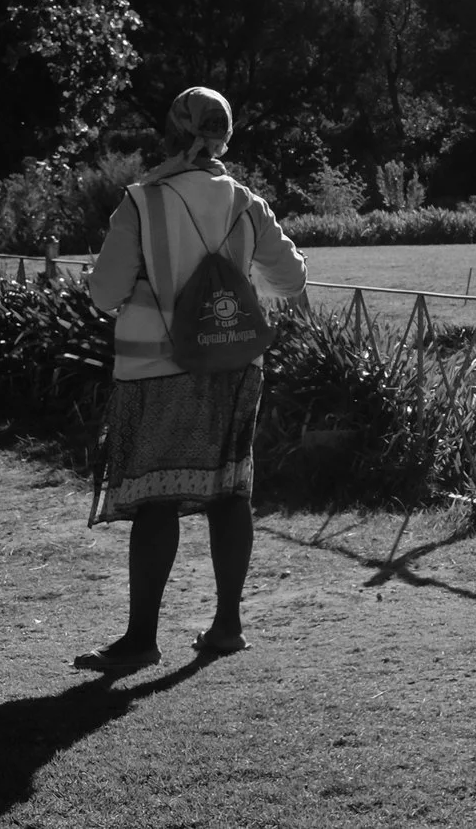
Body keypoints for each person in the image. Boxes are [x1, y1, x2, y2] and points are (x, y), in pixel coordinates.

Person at [72, 87, 308, 674]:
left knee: (156, 494)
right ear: (223, 135)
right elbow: (291, 278)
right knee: (231, 490)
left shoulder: (142, 202)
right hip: (233, 366)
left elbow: (104, 294)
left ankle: (141, 639)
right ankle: (227, 626)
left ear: (174, 131)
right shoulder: (246, 202)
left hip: (156, 368)